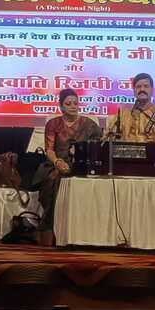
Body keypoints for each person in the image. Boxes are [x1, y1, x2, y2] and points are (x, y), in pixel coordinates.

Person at [32, 88, 102, 246]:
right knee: (53, 181)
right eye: (68, 103)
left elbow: (99, 143)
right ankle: (52, 229)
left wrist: (84, 151)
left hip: (81, 165)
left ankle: (84, 230)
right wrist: (57, 162)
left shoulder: (89, 124)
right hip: (56, 163)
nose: (73, 106)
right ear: (61, 106)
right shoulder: (53, 124)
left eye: (75, 103)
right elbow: (49, 150)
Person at [105, 72, 155, 163]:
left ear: (152, 90)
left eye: (146, 86)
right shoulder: (123, 112)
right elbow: (108, 136)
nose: (142, 89)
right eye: (138, 87)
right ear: (134, 90)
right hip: (126, 161)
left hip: (153, 162)